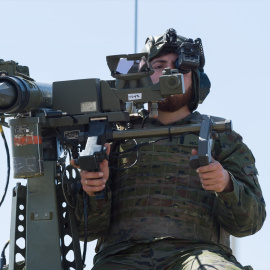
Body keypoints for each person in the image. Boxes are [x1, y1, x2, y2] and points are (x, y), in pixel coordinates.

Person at [73, 28, 266, 269]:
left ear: (196, 80)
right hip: (121, 257)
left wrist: (226, 185)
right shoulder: (112, 135)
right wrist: (95, 190)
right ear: (141, 76)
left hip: (197, 253)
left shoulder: (222, 137)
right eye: (158, 65)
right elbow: (84, 230)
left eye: (181, 67)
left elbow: (250, 223)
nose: (170, 72)